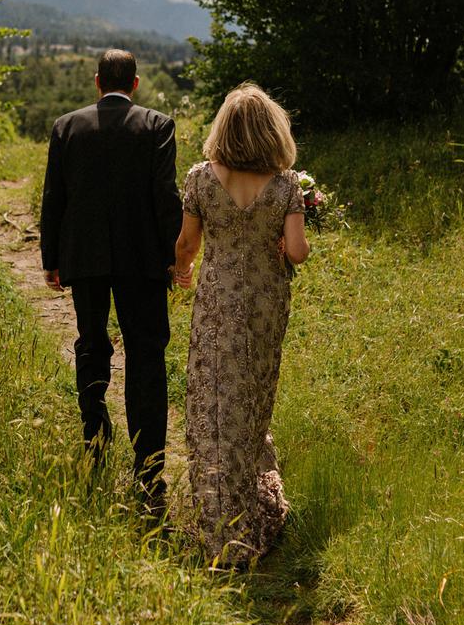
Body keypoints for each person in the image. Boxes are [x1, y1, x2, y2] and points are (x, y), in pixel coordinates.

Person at [40, 49, 183, 514]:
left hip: (85, 258)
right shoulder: (158, 126)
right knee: (146, 356)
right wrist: (173, 257)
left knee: (91, 343)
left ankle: (96, 441)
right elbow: (165, 197)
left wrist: (51, 259)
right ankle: (149, 468)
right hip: (142, 260)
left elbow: (54, 197)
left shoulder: (67, 127)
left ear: (97, 82)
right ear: (135, 83)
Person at [173, 82, 309, 566]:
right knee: (253, 397)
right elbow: (296, 252)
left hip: (218, 302)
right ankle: (252, 504)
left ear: (224, 128)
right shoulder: (286, 184)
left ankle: (219, 517)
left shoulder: (200, 180)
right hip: (267, 303)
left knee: (214, 397)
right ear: (272, 130)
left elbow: (187, 244)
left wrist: (183, 269)